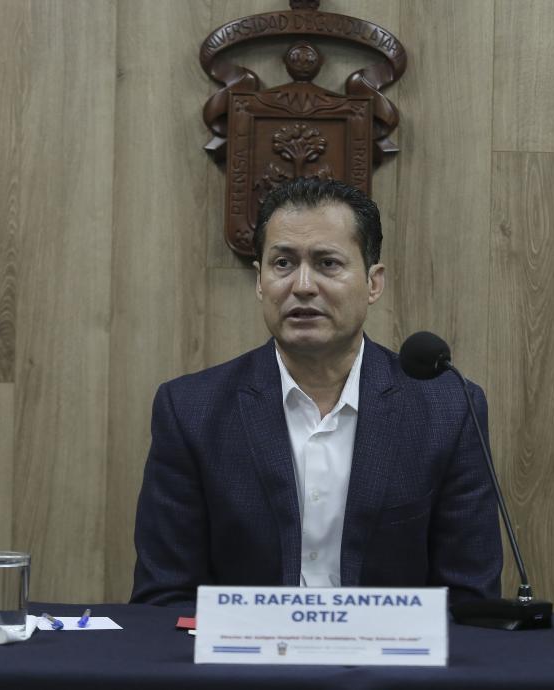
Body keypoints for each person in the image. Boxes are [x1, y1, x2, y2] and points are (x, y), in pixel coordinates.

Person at [130, 177, 502, 606]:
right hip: (243, 649)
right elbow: (165, 597)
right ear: (260, 281)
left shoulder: (448, 409)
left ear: (373, 283)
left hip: (389, 651)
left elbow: (470, 599)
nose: (303, 285)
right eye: (283, 263)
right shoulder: (191, 411)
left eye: (327, 263)